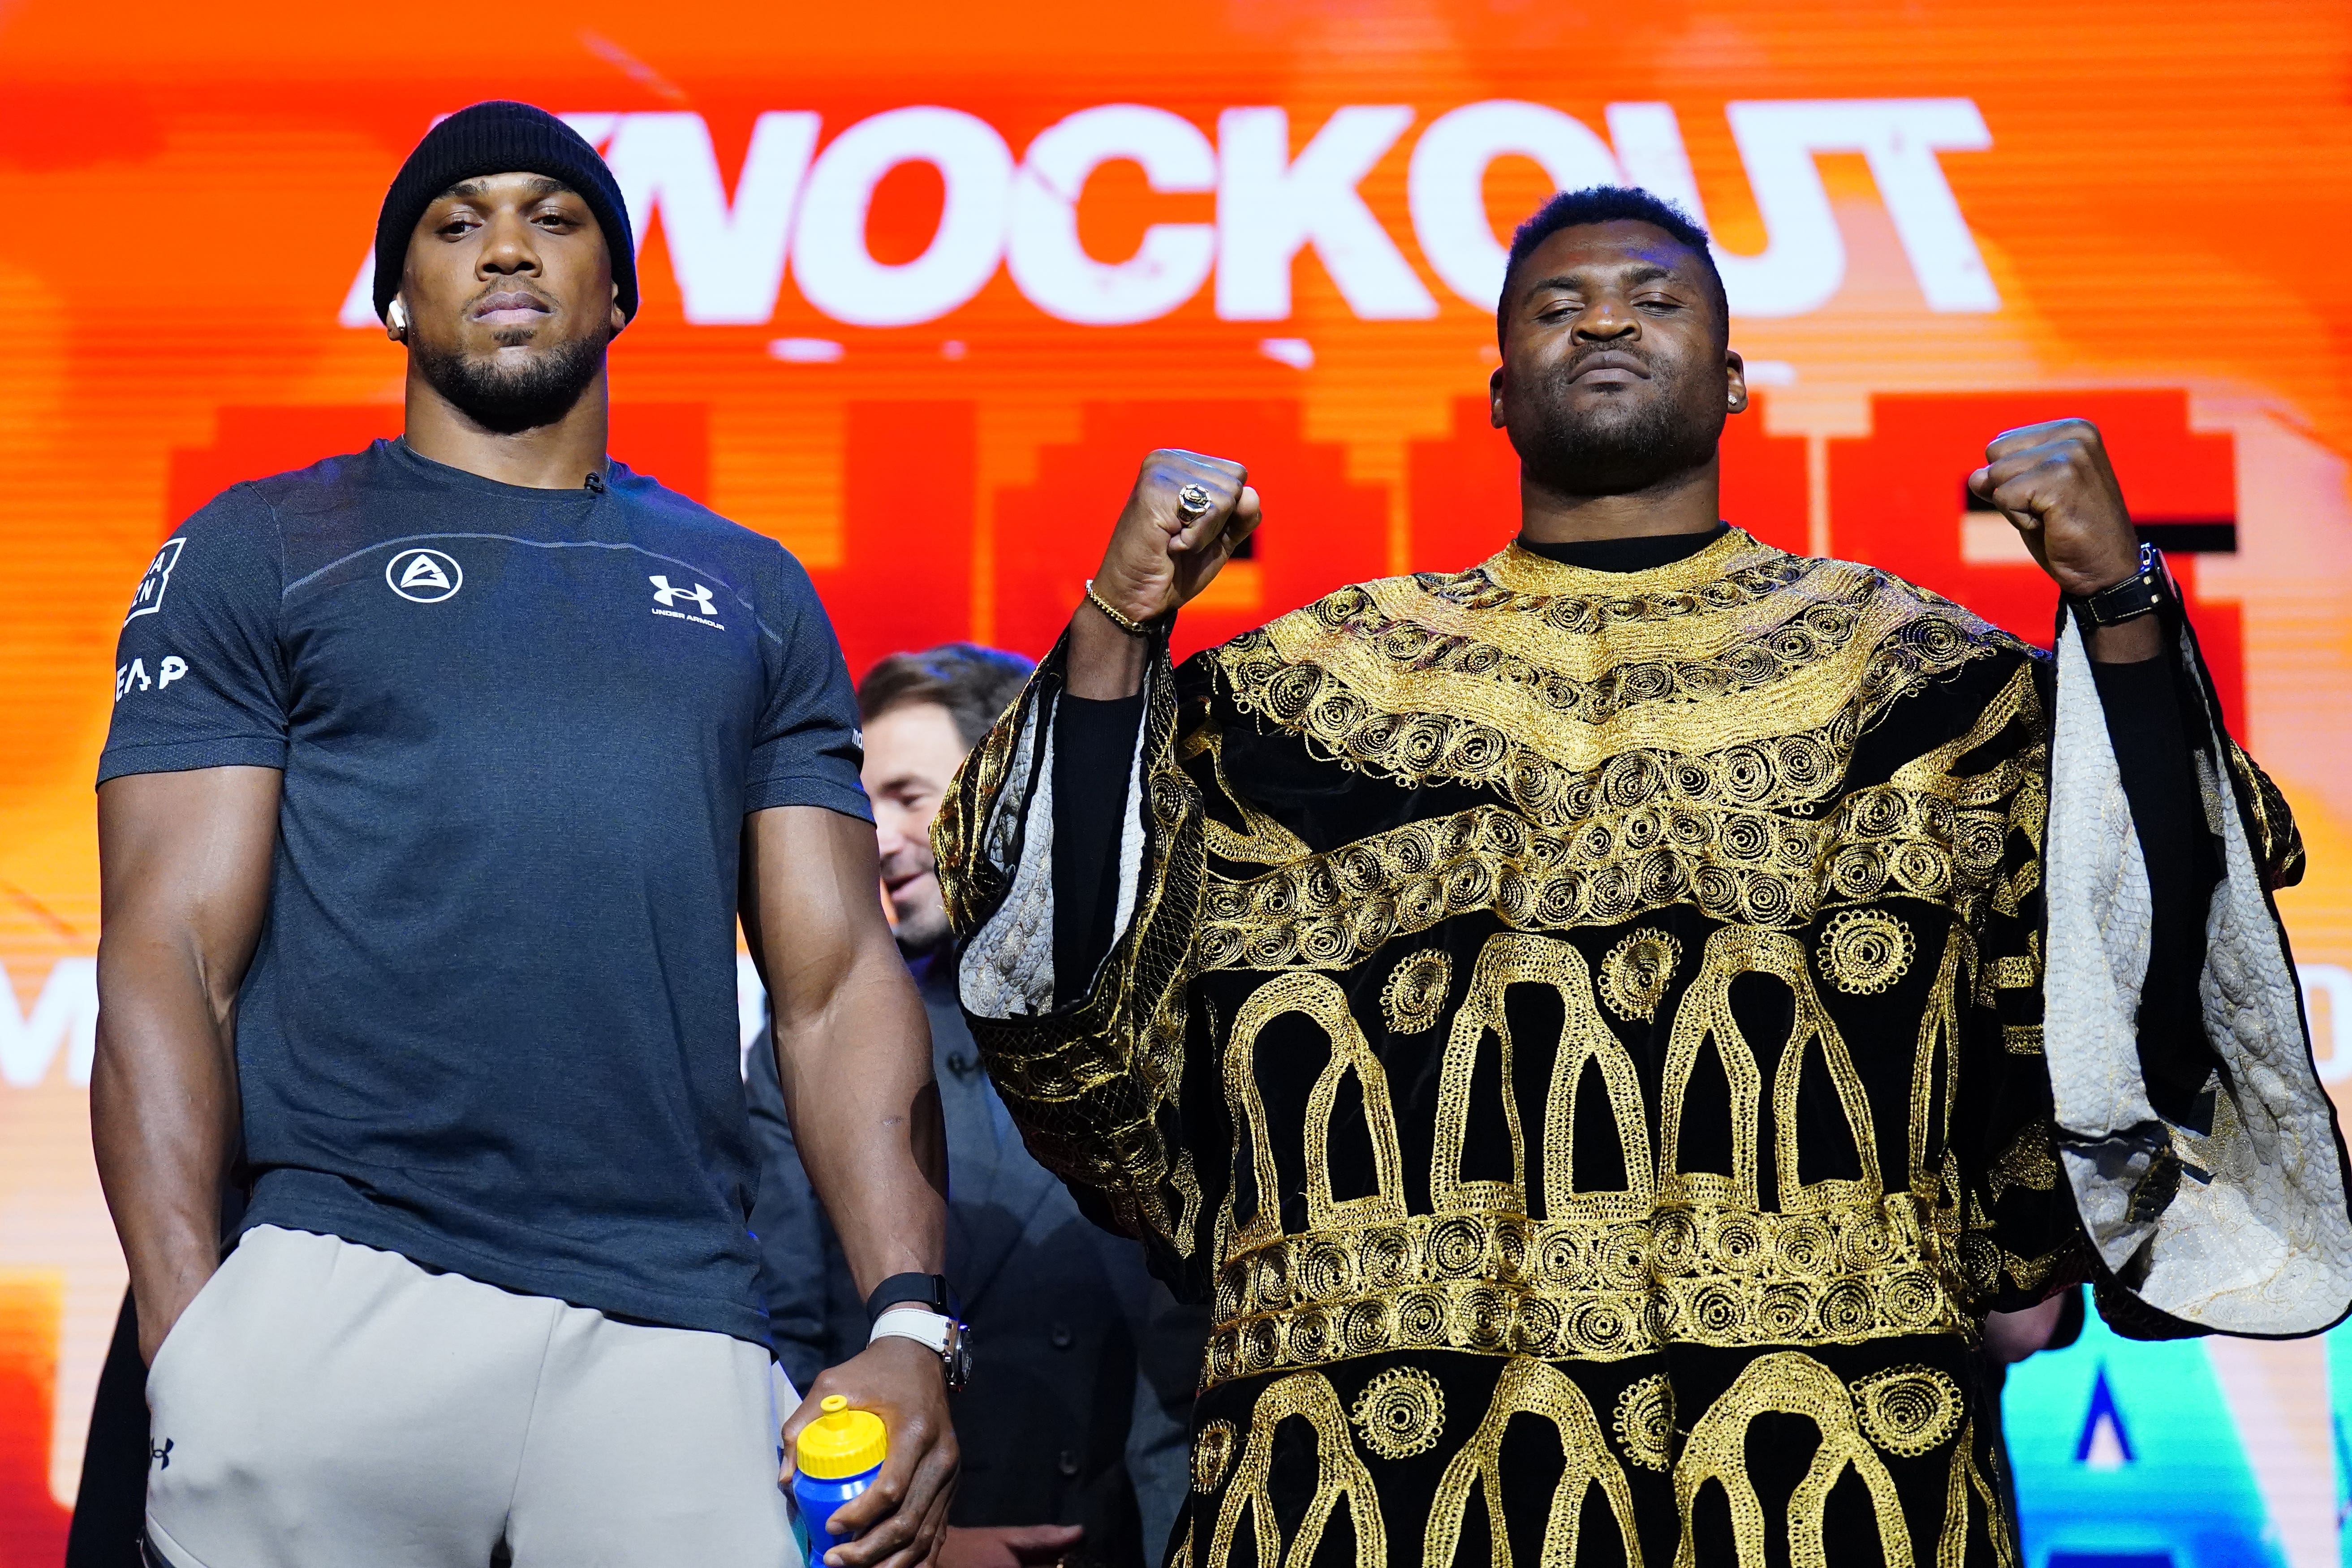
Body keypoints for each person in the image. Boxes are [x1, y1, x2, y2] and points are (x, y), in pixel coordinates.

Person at [934, 185, 2352, 1564]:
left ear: (1734, 379)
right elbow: (1045, 954)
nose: (1604, 322)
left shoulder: (1923, 679)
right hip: (1382, 1455)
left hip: (1826, 1456)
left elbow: (2165, 921)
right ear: (1495, 393)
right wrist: (1121, 614)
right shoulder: (1299, 692)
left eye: (1651, 299)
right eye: (1558, 305)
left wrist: (2117, 598)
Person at [93, 101, 959, 1568]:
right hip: (337, 1291)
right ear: (395, 297)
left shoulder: (747, 588)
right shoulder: (264, 549)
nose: (505, 243)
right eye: (455, 220)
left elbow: (832, 989)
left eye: (556, 219)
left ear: (619, 292)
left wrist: (912, 1324)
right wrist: (196, 1344)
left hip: (676, 1331)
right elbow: (168, 953)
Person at [748, 644, 1209, 1568]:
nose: (875, 835)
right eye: (861, 800)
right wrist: (917, 1542)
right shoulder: (820, 1056)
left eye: (909, 797)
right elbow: (775, 1342)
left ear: (1009, 789)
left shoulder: (1165, 1017)